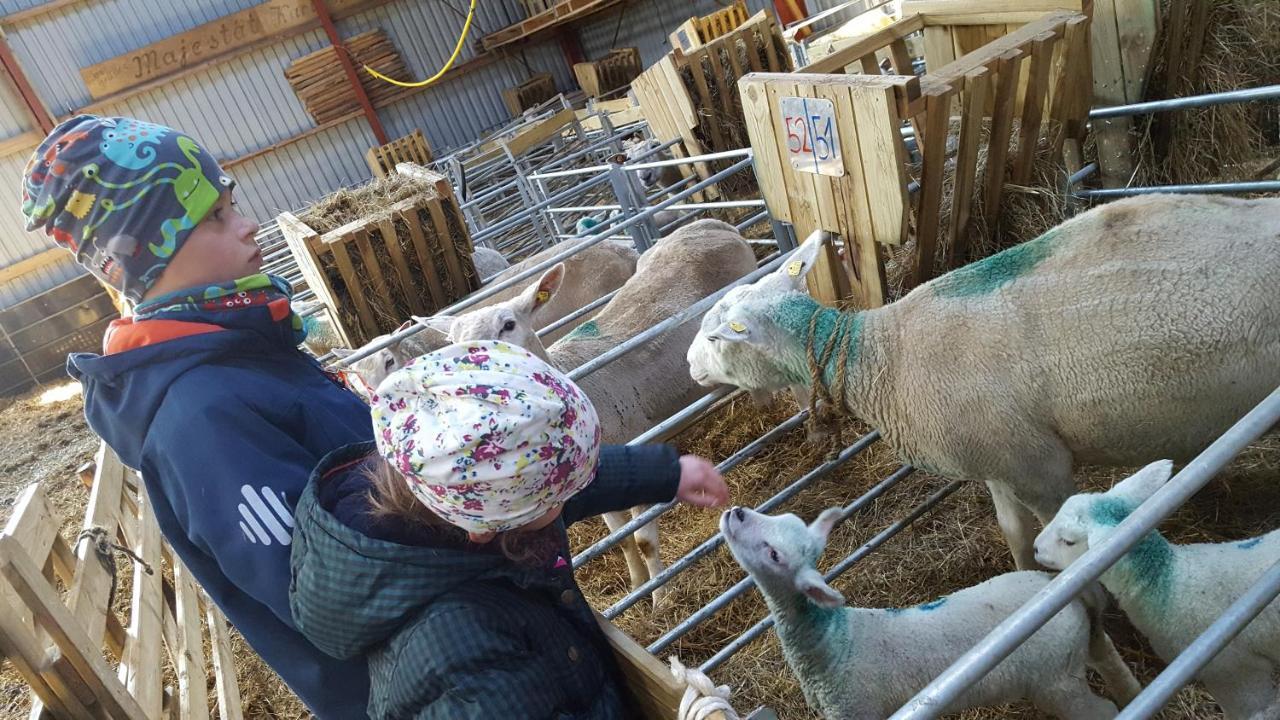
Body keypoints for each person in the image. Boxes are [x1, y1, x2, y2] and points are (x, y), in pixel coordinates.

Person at [21, 115, 374, 716]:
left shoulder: (239, 344)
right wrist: (495, 501)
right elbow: (341, 597)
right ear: (146, 256)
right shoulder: (201, 419)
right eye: (214, 216)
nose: (247, 225)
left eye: (231, 201)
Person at [289, 341, 730, 719]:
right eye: (554, 499)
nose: (564, 502)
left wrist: (664, 473)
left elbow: (547, 482)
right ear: (489, 529)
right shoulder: (464, 663)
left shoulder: (434, 495)